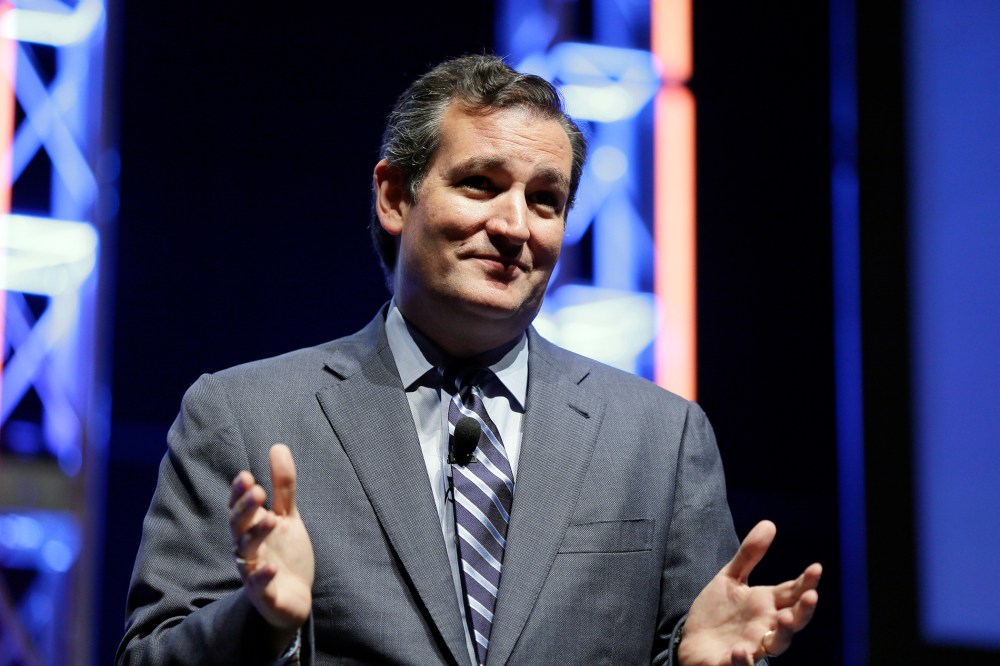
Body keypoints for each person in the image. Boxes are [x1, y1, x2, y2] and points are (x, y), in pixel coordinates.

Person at [118, 54, 820, 666]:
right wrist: (260, 622)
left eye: (545, 200)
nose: (515, 226)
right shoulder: (243, 416)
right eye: (481, 183)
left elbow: (691, 644)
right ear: (396, 196)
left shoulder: (659, 438)